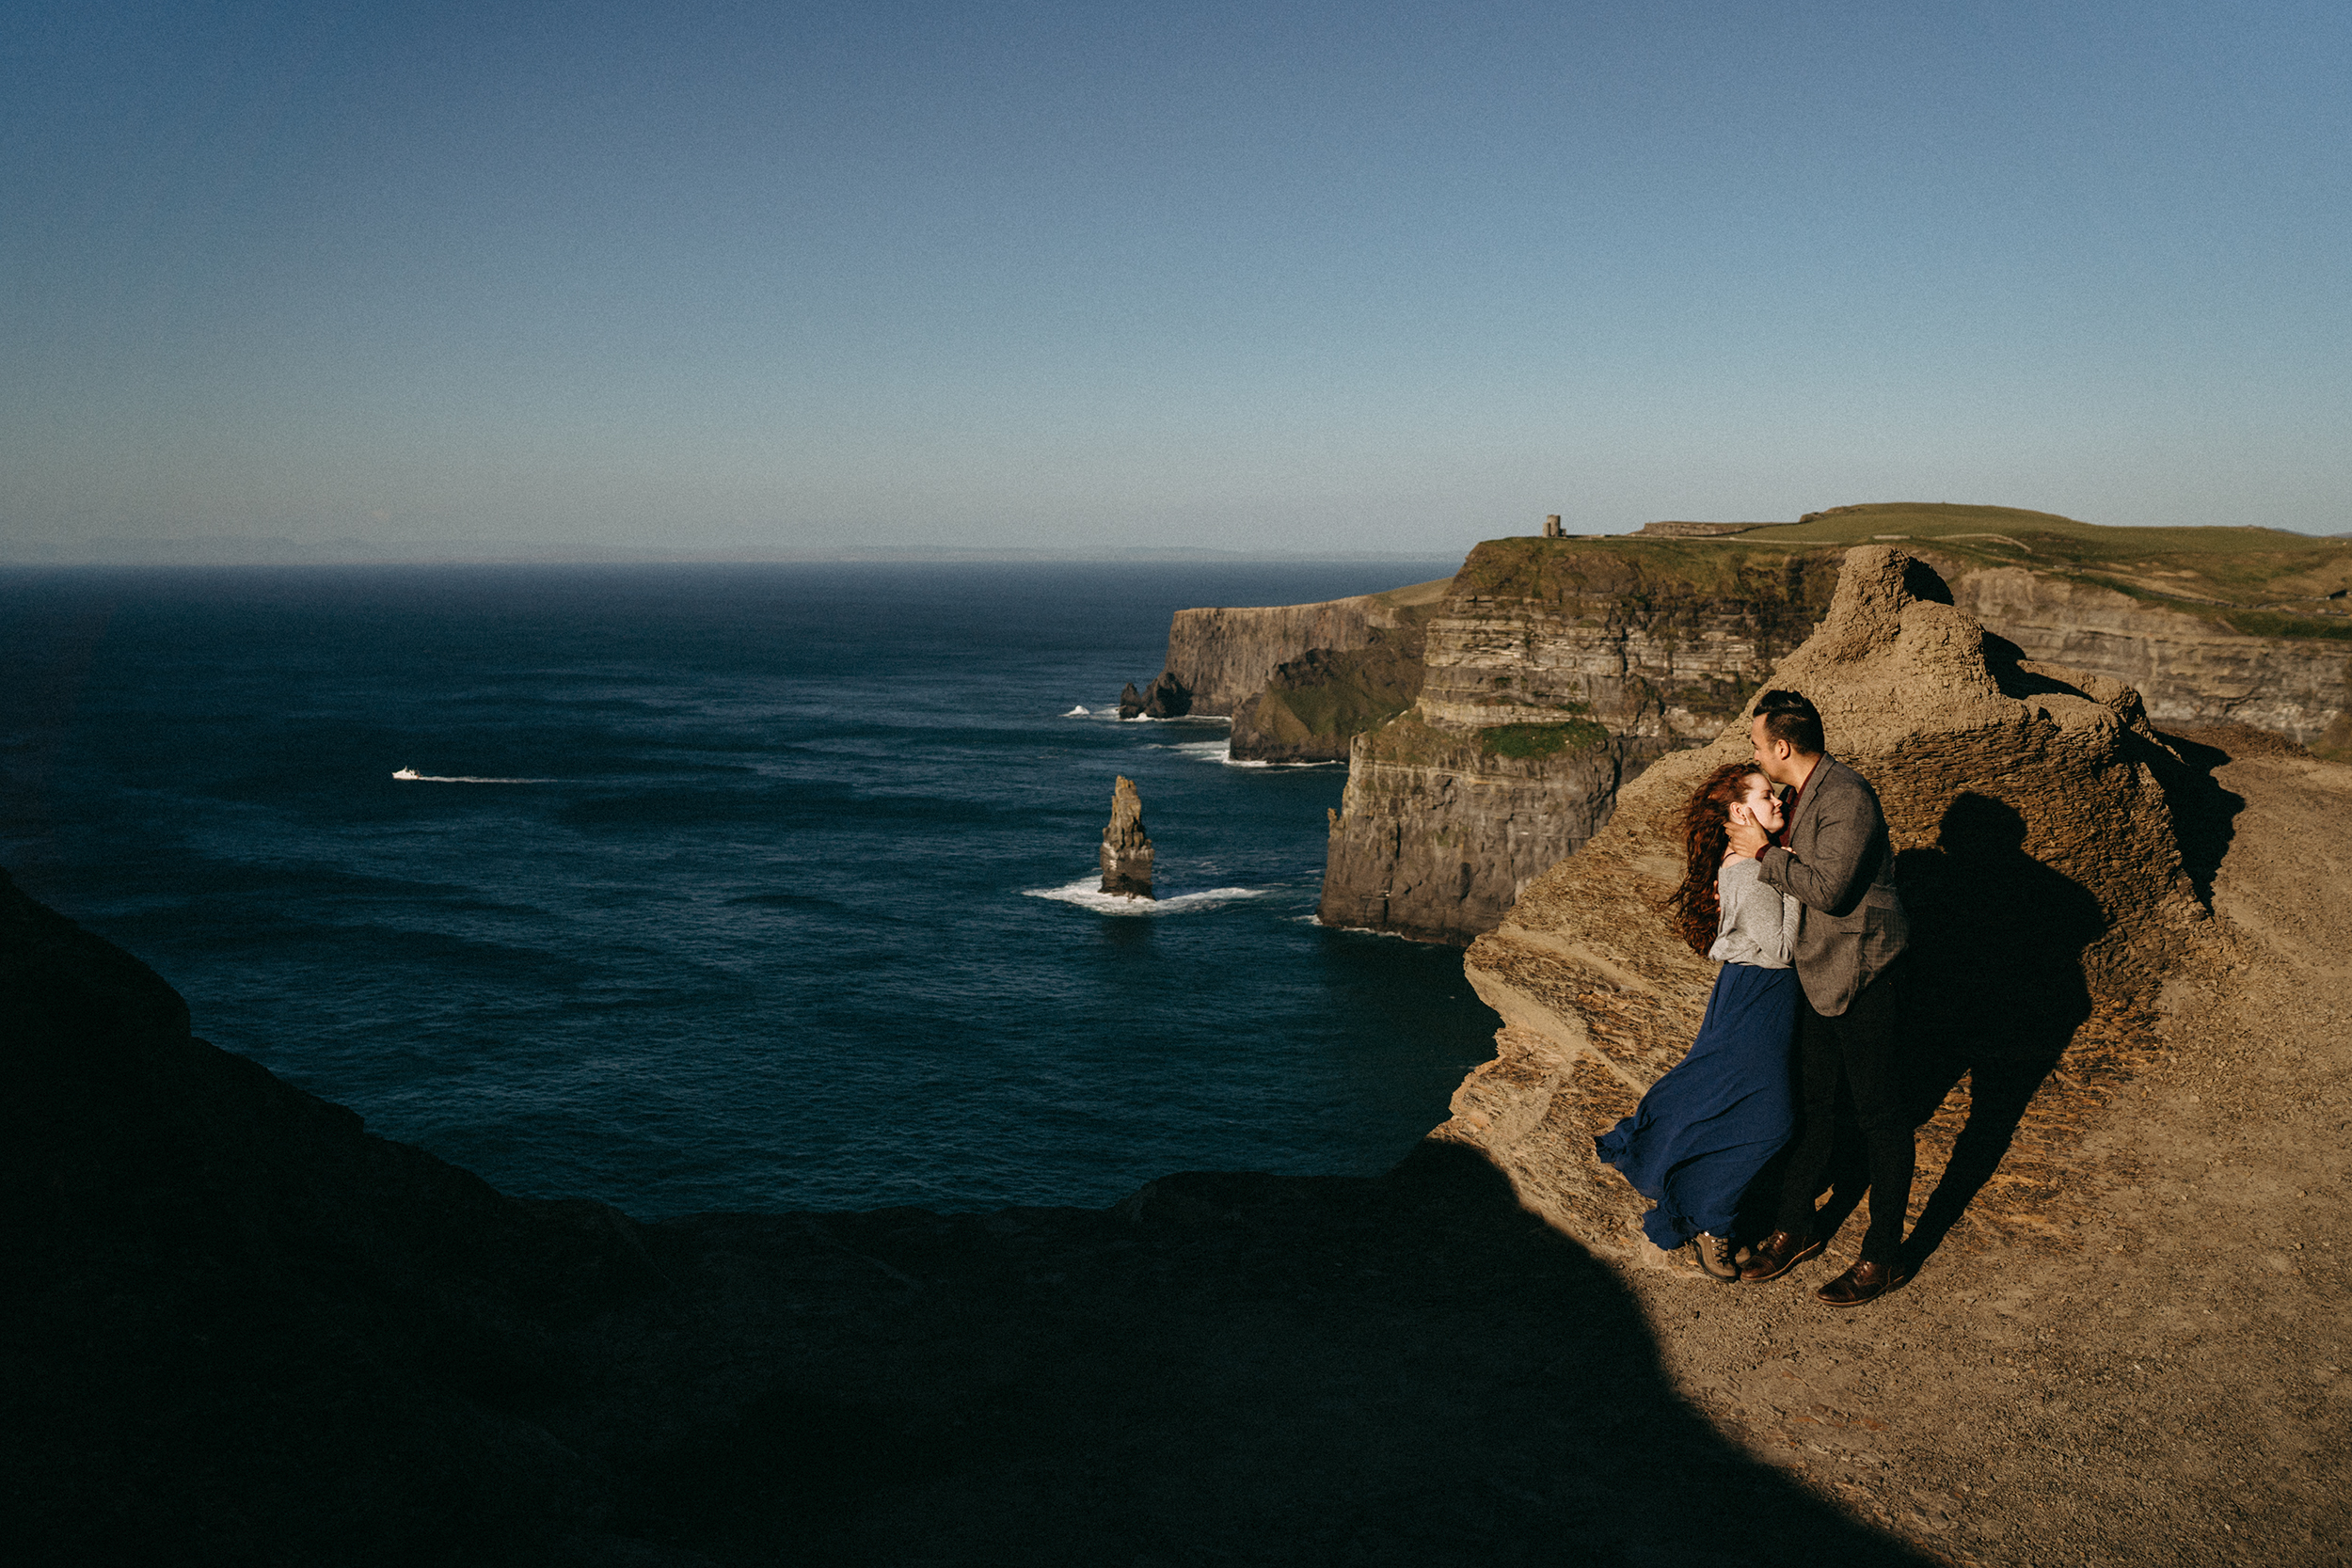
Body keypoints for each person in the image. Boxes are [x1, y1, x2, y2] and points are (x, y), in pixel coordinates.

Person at [1726, 689, 1914, 1307]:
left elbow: (1829, 889)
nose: (1754, 753)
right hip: (1816, 973)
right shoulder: (1801, 793)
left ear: (1782, 746)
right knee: (1811, 1106)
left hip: (1863, 975)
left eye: (1757, 743)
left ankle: (1883, 1256)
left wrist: (1762, 854)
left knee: (1882, 1119)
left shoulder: (1847, 796)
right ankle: (1796, 1227)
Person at [1595, 762, 1803, 1282]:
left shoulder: (1752, 862)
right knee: (1771, 1120)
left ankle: (1666, 1161)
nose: (1777, 802)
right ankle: (1707, 1217)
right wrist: (1794, 878)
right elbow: (1779, 950)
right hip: (1760, 993)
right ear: (1740, 811)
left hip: (1759, 996)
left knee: (1720, 1094)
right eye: (1765, 796)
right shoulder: (1747, 868)